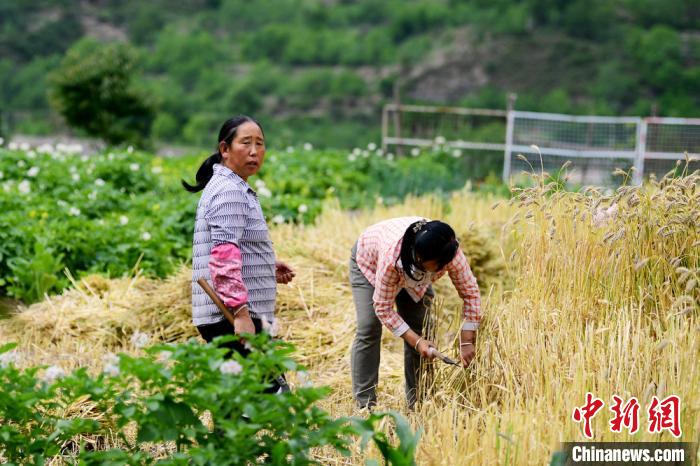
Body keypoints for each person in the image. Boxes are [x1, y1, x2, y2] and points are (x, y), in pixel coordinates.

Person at [183, 115, 295, 381]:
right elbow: (223, 256)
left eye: (260, 143)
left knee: (238, 407)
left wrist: (266, 266)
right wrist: (241, 314)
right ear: (225, 149)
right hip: (231, 317)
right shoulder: (229, 191)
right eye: (246, 143)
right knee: (271, 397)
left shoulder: (232, 186)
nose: (255, 151)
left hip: (235, 314)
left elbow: (233, 246)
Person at [349, 217, 481, 409]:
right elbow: (383, 308)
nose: (442, 270)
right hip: (369, 263)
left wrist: (467, 339)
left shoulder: (449, 251)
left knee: (422, 328)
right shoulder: (390, 259)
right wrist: (416, 342)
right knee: (369, 327)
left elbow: (471, 293)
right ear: (420, 258)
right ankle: (365, 405)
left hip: (415, 278)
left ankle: (420, 402)